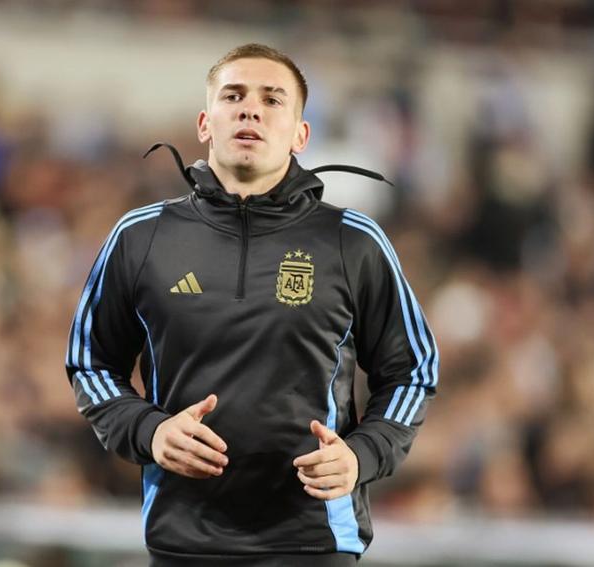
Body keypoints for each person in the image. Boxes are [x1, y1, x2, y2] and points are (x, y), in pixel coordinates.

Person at [65, 43, 439, 566]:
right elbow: (90, 362)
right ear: (204, 123)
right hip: (182, 540)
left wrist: (362, 455)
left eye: (272, 99)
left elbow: (413, 371)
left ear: (300, 134)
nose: (250, 109)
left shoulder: (353, 241)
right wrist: (150, 431)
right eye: (233, 95)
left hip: (315, 540)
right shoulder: (141, 236)